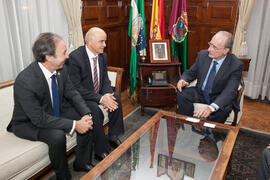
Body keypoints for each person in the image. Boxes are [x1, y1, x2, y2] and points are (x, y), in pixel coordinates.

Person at [7, 33, 94, 180]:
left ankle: (81, 162)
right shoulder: (25, 81)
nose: (68, 56)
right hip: (28, 123)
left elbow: (72, 92)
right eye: (64, 52)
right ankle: (64, 177)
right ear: (48, 57)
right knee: (57, 135)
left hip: (53, 112)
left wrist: (86, 114)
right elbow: (39, 119)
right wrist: (74, 125)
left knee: (87, 119)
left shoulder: (61, 68)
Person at [66, 27, 124, 161]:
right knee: (95, 111)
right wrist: (101, 99)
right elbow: (76, 88)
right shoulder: (75, 58)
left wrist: (108, 95)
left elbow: (104, 79)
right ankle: (100, 149)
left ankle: (113, 136)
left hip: (96, 92)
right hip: (82, 97)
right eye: (101, 41)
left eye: (105, 41)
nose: (105, 45)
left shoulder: (103, 56)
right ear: (90, 41)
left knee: (116, 98)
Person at [177, 31, 244, 123]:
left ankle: (211, 135)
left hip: (219, 96)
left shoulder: (235, 65)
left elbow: (230, 91)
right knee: (182, 94)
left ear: (226, 50)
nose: (209, 49)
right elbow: (191, 72)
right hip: (200, 92)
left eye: (214, 47)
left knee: (223, 109)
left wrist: (211, 108)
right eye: (210, 44)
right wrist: (183, 79)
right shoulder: (203, 55)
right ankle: (187, 123)